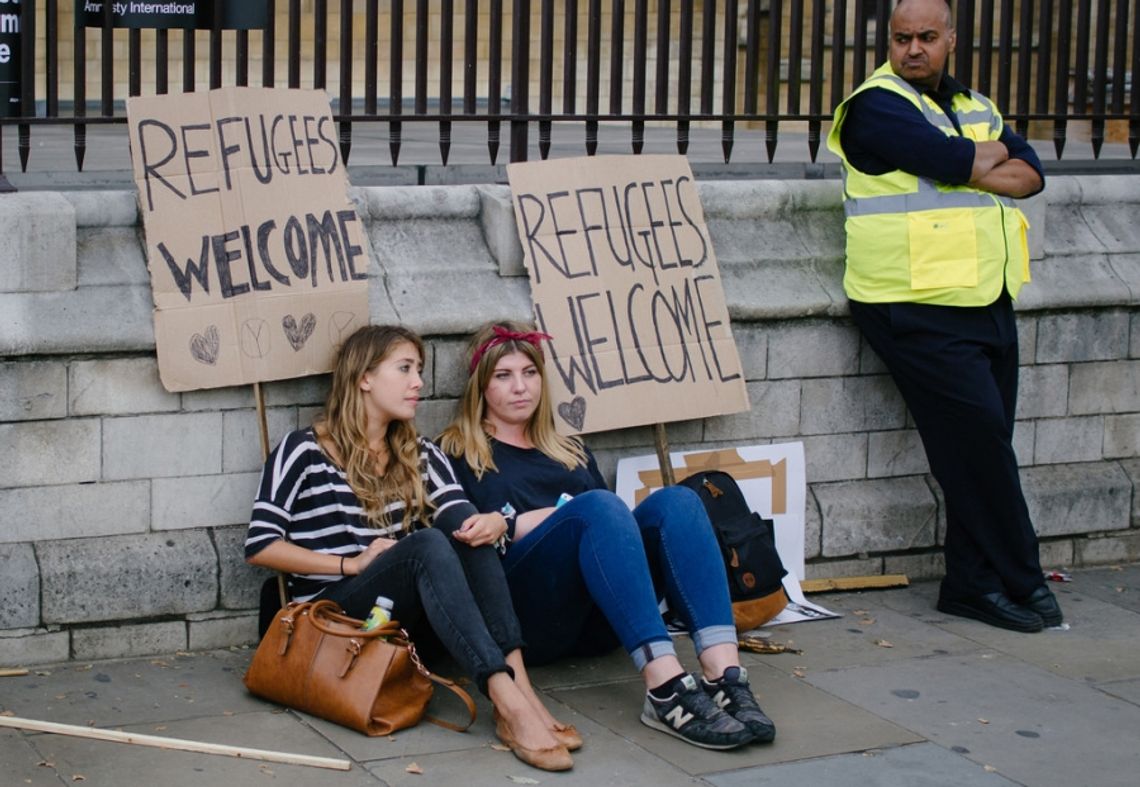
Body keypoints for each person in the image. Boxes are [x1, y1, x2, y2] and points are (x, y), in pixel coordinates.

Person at [826, 0, 1062, 632]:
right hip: (910, 304)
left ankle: (970, 585)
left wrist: (969, 164)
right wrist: (974, 162)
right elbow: (958, 163)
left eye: (927, 37)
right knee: (981, 444)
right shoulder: (874, 106)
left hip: (984, 297)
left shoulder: (974, 106)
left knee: (981, 448)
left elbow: (1032, 172)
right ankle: (1024, 578)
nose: (913, 50)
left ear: (950, 39)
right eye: (902, 38)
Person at [244, 325, 577, 772]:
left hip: (395, 614)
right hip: (329, 613)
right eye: (404, 369)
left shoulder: (417, 452)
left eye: (418, 370)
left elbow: (458, 513)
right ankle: (506, 700)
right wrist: (350, 563)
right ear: (364, 377)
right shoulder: (302, 450)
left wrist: (494, 522)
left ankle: (521, 691)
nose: (418, 381)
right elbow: (260, 544)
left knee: (467, 531)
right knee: (426, 545)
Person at [438, 321, 776, 751]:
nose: (520, 387)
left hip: (600, 623)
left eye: (530, 373)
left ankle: (725, 675)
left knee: (680, 502)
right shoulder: (455, 452)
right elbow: (461, 544)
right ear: (479, 387)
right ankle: (664, 687)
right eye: (503, 376)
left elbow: (611, 534)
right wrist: (537, 519)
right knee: (599, 506)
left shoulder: (570, 448)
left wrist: (545, 515)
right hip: (528, 618)